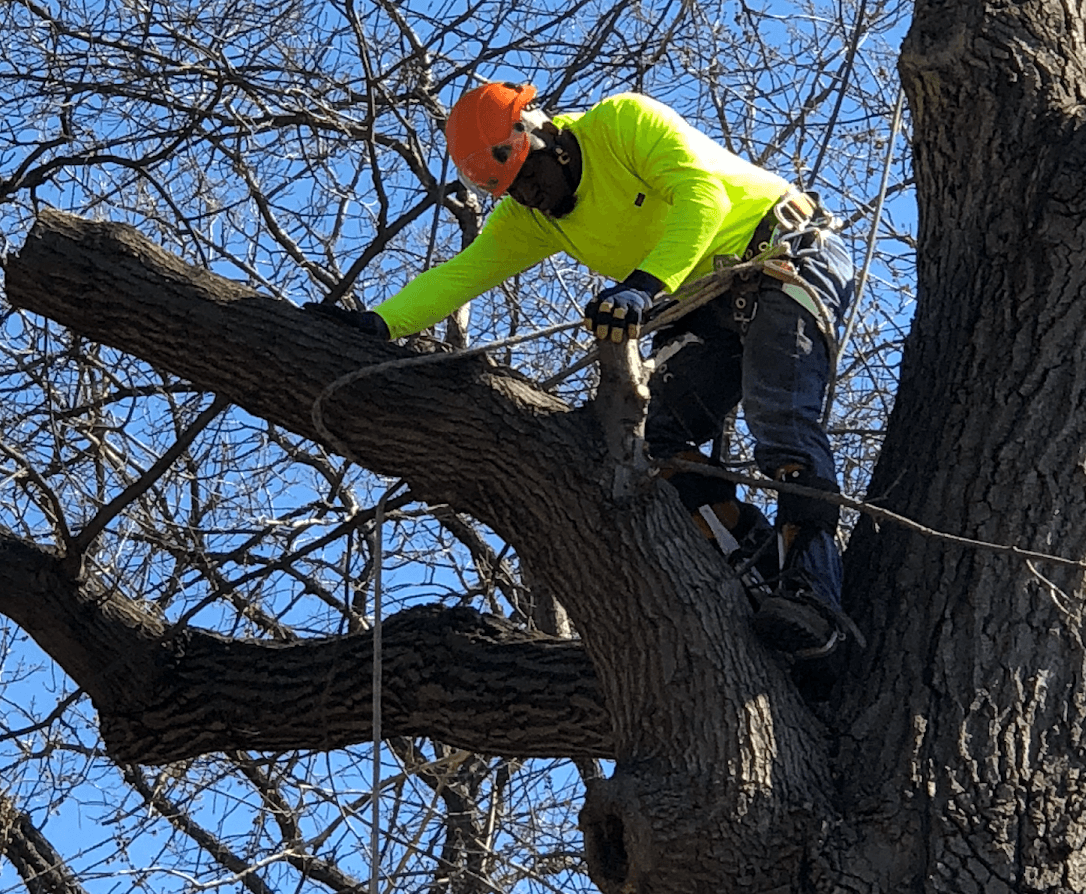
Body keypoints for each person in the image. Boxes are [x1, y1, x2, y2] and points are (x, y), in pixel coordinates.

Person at [306, 81, 856, 667]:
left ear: (541, 133)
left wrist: (642, 288)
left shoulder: (622, 123)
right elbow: (461, 275)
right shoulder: (532, 217)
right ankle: (755, 559)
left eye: (528, 175)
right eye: (511, 189)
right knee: (642, 440)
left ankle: (816, 598)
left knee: (780, 417)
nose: (529, 196)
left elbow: (703, 198)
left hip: (784, 257)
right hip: (702, 304)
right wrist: (378, 324)